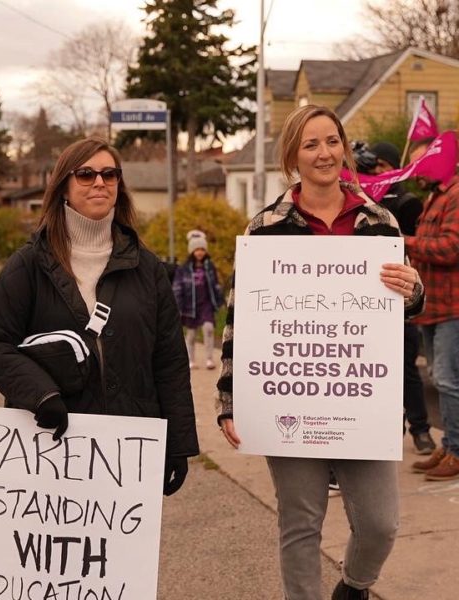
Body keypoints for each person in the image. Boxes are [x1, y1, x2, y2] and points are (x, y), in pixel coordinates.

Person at [216, 105, 424, 600]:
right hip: (291, 397)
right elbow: (239, 319)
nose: (324, 153)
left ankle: (353, 587)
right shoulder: (265, 227)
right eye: (310, 144)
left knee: (380, 523)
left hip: (361, 397)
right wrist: (229, 399)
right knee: (301, 524)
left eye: (332, 141)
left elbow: (405, 308)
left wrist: (412, 291)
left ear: (345, 148)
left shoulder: (380, 222)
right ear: (293, 155)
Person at [0, 137, 199, 498]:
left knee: (124, 555)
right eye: (86, 174)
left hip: (127, 449)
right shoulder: (30, 264)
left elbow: (170, 360)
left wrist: (178, 441)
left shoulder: (147, 268)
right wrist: (40, 394)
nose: (99, 182)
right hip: (50, 446)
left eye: (109, 174)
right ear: (63, 185)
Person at [356, 141, 436, 455]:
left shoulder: (407, 202)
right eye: (369, 168)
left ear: (393, 168)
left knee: (406, 369)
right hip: (362, 303)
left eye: (380, 168)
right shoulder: (357, 199)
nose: (375, 174)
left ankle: (420, 430)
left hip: (398, 297)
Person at [405, 136, 459, 481]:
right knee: (443, 380)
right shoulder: (435, 196)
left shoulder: (455, 195)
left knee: (448, 380)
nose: (416, 173)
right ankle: (450, 443)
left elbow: (451, 248)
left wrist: (404, 241)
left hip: (453, 307)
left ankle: (456, 452)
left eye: (420, 165)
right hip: (432, 307)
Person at [172, 229, 224, 370]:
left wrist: (219, 301)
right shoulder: (184, 268)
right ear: (192, 251)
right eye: (197, 249)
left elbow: (216, 285)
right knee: (191, 334)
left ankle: (209, 359)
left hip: (206, 303)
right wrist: (178, 305)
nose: (200, 252)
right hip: (190, 306)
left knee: (208, 329)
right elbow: (177, 287)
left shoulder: (209, 266)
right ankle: (191, 359)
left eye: (202, 249)